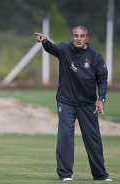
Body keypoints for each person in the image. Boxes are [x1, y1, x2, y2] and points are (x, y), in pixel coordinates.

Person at [35, 26, 112, 181]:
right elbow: (52, 48)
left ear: (86, 38)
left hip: (87, 103)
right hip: (66, 101)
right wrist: (45, 42)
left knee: (93, 138)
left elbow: (102, 79)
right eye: (75, 35)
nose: (78, 38)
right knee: (65, 136)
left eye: (82, 36)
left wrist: (101, 99)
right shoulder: (64, 50)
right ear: (72, 37)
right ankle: (64, 174)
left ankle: (100, 175)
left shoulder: (95, 56)